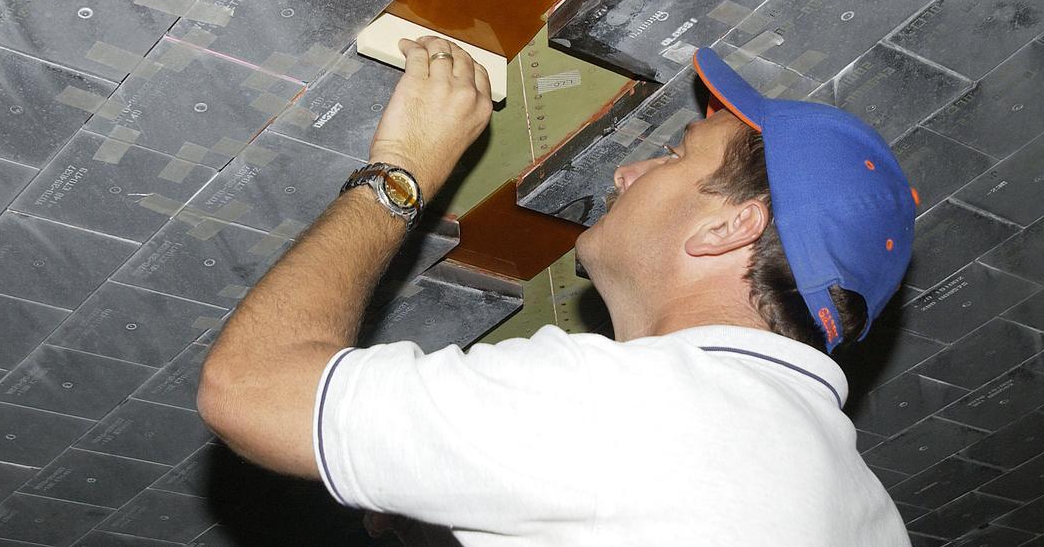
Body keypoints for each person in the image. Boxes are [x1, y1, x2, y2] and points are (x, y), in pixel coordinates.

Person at [197, 35, 918, 546]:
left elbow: (251, 391)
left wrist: (402, 170)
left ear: (730, 227)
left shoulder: (636, 408)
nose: (625, 172)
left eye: (672, 156)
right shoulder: (860, 508)